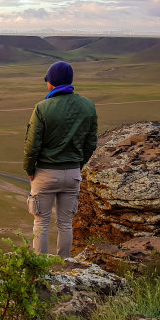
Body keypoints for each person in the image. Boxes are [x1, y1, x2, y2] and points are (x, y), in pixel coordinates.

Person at [23, 61, 97, 258]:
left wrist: (29, 169)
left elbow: (32, 145)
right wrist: (77, 165)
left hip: (46, 173)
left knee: (41, 222)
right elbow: (91, 143)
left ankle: (41, 269)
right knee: (65, 223)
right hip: (72, 173)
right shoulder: (88, 106)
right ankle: (64, 267)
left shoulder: (42, 108)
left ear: (52, 82)